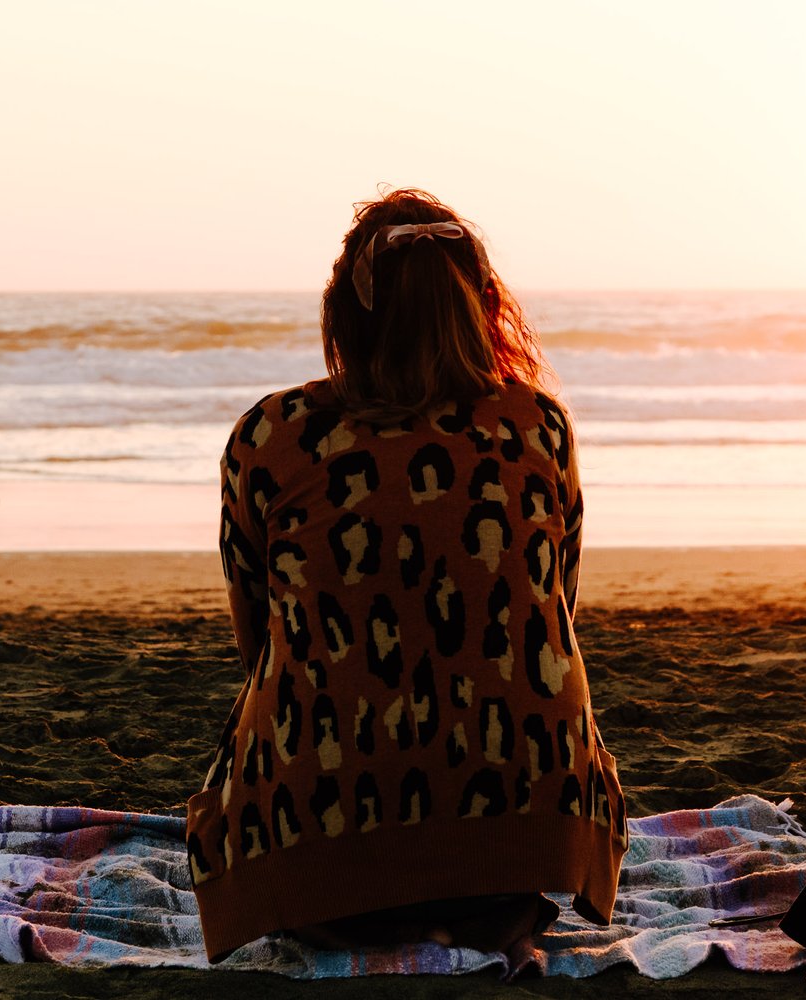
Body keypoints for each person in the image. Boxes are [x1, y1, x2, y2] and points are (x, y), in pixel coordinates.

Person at [185, 189, 628, 962]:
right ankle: (483, 911)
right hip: (527, 836)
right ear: (483, 304)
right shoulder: (539, 426)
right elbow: (556, 610)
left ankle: (374, 895)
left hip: (316, 848)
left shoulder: (270, 435)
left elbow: (257, 642)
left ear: (344, 313)